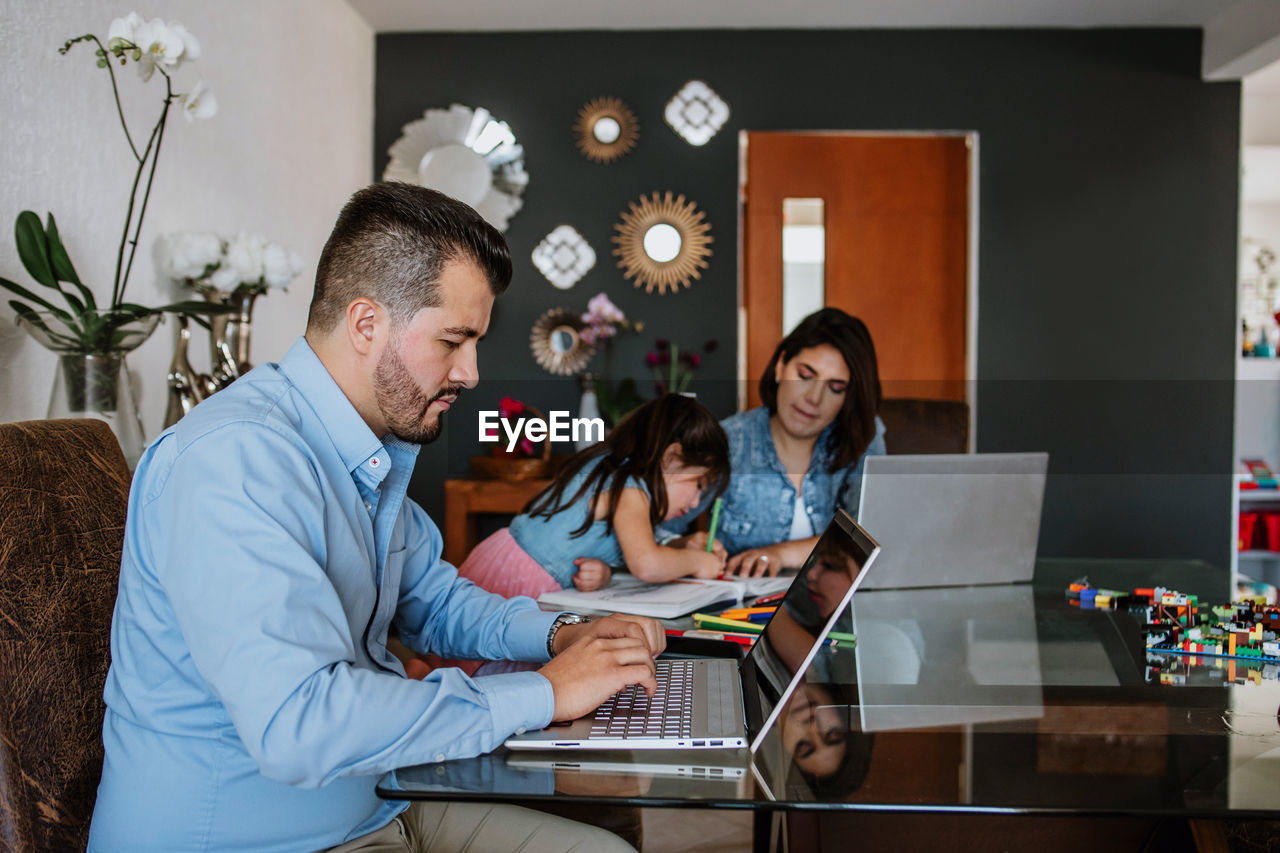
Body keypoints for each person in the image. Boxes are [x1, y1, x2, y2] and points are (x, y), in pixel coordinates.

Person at [87, 182, 664, 853]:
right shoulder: (236, 461)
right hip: (253, 838)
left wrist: (567, 633)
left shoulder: (365, 447)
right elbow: (299, 725)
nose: (471, 372)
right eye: (454, 340)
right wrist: (543, 694)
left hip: (370, 805)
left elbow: (437, 601)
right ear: (367, 324)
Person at [661, 307, 886, 577]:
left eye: (835, 388)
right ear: (781, 366)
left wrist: (780, 554)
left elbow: (869, 536)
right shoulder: (728, 440)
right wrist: (683, 546)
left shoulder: (862, 437)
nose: (814, 398)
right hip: (737, 611)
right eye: (805, 375)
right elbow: (655, 530)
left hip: (828, 610)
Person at [456, 393, 731, 601]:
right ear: (670, 458)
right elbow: (646, 564)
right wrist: (698, 562)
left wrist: (683, 544)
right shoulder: (630, 489)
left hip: (504, 563)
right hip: (517, 583)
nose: (696, 502)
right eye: (698, 485)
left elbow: (632, 544)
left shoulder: (614, 469)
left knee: (452, 659)